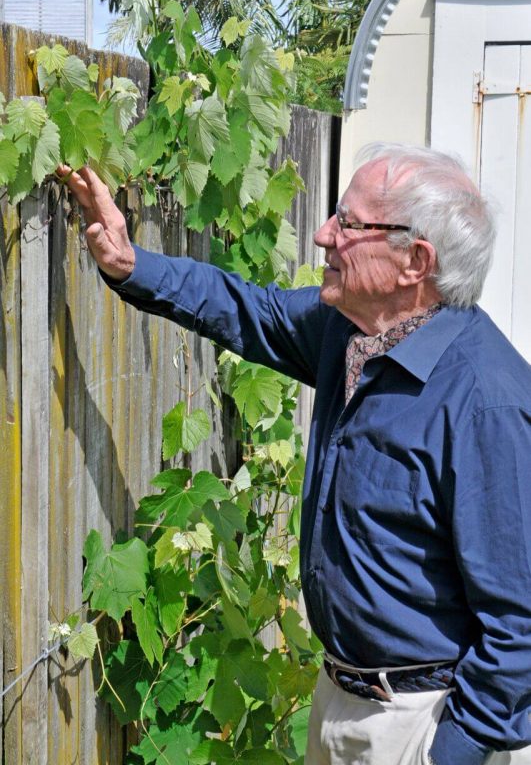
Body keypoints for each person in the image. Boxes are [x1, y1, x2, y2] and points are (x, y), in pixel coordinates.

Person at [58, 143, 531, 765]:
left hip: (425, 721)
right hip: (338, 701)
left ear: (415, 261)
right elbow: (247, 309)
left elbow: (520, 623)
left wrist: (453, 752)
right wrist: (127, 263)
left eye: (350, 225)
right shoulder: (351, 333)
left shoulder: (486, 402)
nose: (322, 234)